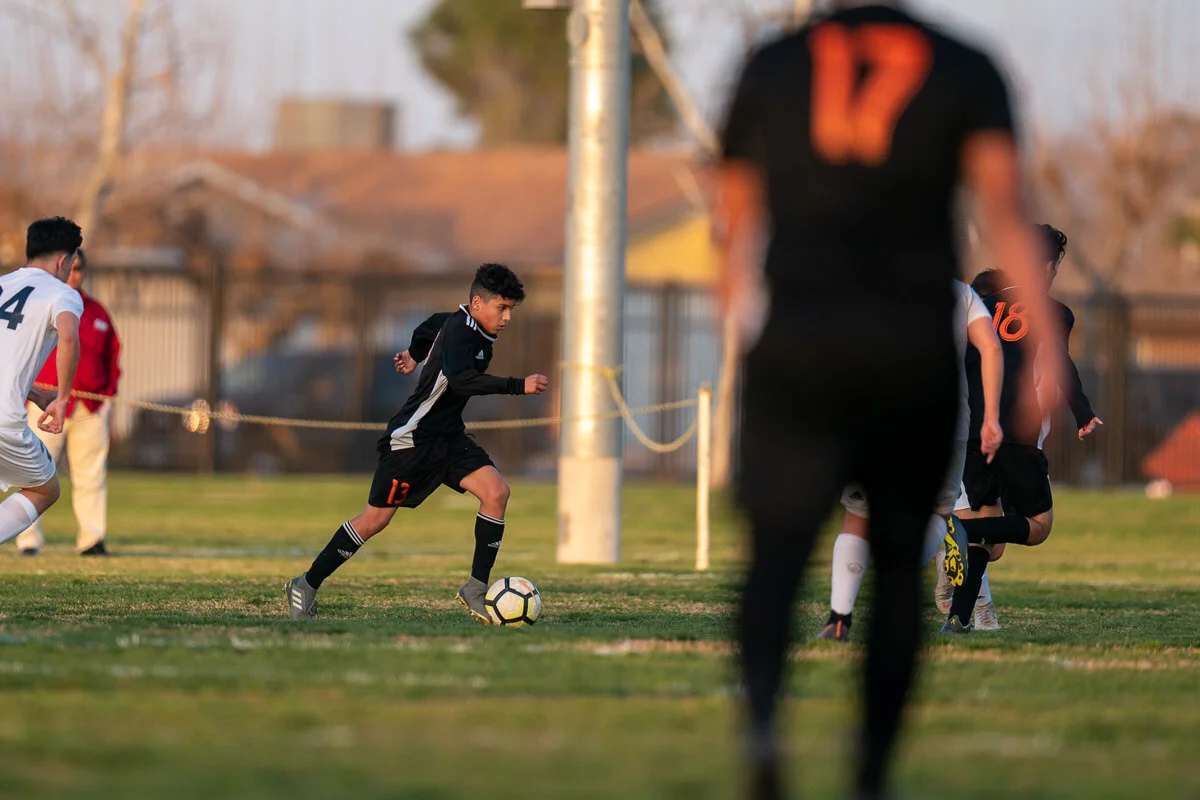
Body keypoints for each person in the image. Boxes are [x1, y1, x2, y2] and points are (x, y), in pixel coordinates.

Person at [716, 1, 1065, 797]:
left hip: (799, 335)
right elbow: (1005, 215)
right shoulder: (964, 64)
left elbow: (733, 221)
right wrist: (1040, 350)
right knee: (903, 564)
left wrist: (744, 340)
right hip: (908, 344)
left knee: (773, 553)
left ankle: (764, 723)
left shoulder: (774, 62)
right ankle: (871, 768)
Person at [284, 263, 548, 622]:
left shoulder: (462, 323)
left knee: (497, 492)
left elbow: (430, 325)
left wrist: (413, 354)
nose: (507, 317)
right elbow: (461, 380)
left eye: (510, 309)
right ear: (477, 303)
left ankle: (475, 587)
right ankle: (306, 583)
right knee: (375, 519)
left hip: (449, 438)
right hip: (413, 439)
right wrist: (519, 385)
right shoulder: (462, 332)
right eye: (501, 308)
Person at [817, 278, 1003, 642]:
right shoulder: (961, 293)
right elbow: (991, 347)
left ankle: (839, 618)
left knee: (858, 516)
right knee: (936, 514)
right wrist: (992, 417)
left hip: (878, 417)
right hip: (944, 422)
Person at [940, 223, 1101, 632]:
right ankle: (958, 530)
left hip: (973, 432)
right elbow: (1061, 366)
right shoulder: (1054, 313)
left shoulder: (979, 303)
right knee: (1039, 526)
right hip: (1014, 434)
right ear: (1045, 267)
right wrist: (1083, 412)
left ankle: (958, 620)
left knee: (990, 543)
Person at [16, 248, 121, 556]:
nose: (75, 275)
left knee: (91, 474)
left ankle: (91, 539)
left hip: (90, 408)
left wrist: (107, 396)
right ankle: (28, 539)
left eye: (79, 269)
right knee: (36, 472)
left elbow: (113, 356)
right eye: (70, 268)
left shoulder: (97, 311)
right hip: (46, 405)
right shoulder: (44, 304)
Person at [0, 217, 84, 550]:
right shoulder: (62, 293)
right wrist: (62, 398)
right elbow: (68, 336)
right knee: (45, 489)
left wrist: (33, 392)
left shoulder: (4, 283)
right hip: (4, 417)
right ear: (63, 260)